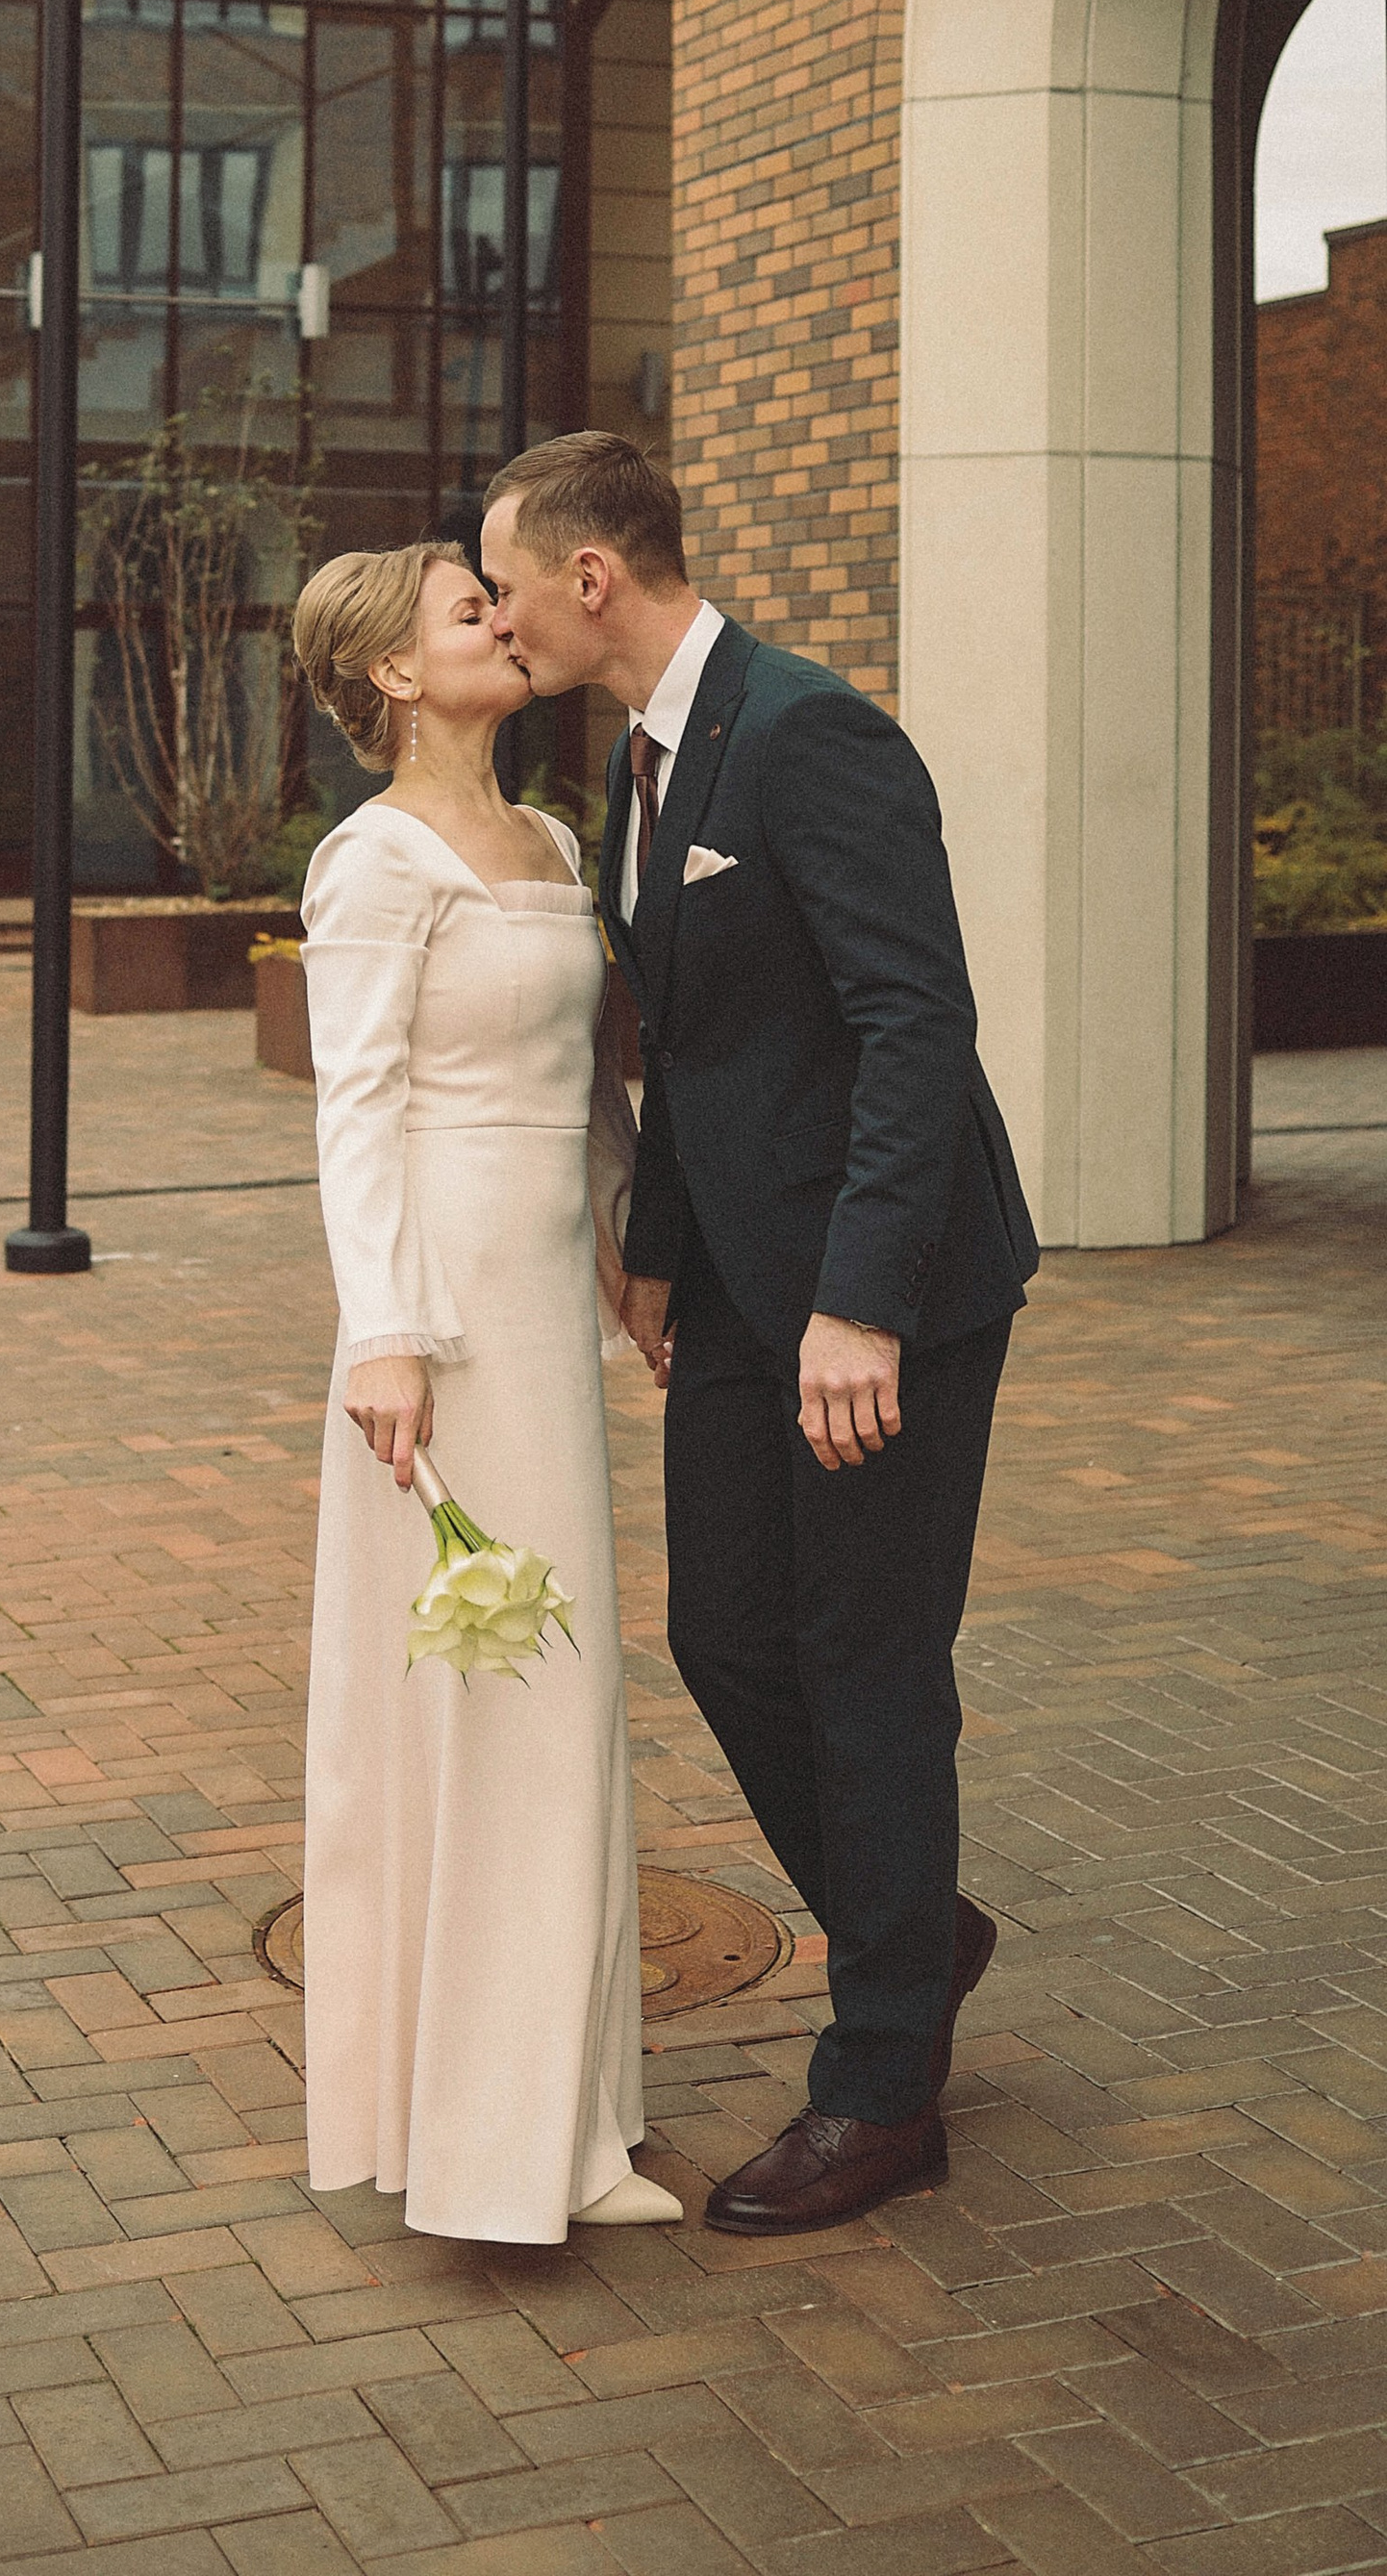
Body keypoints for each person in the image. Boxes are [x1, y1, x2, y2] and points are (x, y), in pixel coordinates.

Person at [479, 433, 1038, 2235]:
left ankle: (881, 2088)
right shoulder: (638, 761)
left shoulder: (810, 735)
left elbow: (914, 1024)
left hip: (884, 1293)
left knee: (865, 1661)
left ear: (590, 577)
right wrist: (657, 1254)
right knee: (725, 1635)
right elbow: (700, 1043)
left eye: (506, 584)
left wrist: (860, 1303)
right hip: (730, 1285)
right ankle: (914, 1928)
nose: (495, 616)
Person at [290, 541, 682, 2241]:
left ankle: (565, 2117)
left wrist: (634, 1256)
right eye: (470, 611)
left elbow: (585, 1089)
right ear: (392, 673)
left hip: (544, 1312)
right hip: (439, 1324)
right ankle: (479, 2142)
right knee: (483, 1694)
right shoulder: (371, 861)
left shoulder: (556, 844)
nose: (505, 621)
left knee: (559, 1695)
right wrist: (383, 1332)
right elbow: (355, 1110)